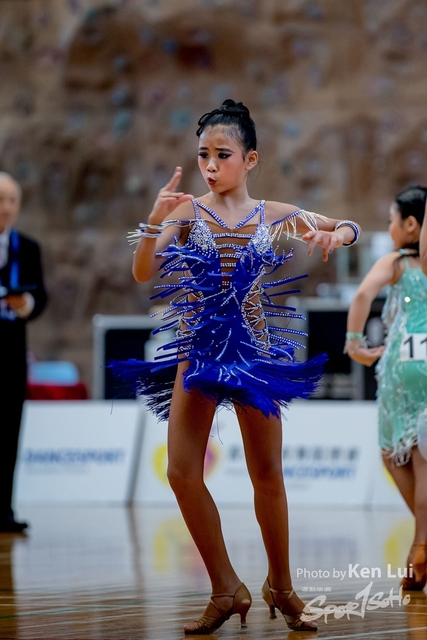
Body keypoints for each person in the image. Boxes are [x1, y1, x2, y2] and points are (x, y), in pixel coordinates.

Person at [112, 100, 361, 634]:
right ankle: (225, 587)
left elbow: (348, 225)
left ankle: (281, 585)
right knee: (181, 472)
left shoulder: (272, 213)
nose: (209, 165)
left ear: (250, 159)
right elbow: (142, 272)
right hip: (198, 352)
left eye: (222, 154)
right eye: (203, 154)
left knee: (267, 474)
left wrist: (336, 236)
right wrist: (153, 221)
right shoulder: (186, 213)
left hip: (254, 354)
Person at [345, 185, 427, 591]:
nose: (390, 228)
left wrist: (354, 342)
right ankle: (421, 544)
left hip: (403, 365)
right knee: (422, 456)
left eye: (392, 220)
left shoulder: (397, 261)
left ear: (411, 225)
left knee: (394, 452)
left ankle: (422, 544)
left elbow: (363, 293)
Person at [0, 172, 47, 533]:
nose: (5, 207)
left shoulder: (27, 248)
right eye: (0, 200)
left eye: (11, 200)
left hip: (11, 355)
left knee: (9, 432)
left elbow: (40, 296)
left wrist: (26, 303)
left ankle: (4, 509)